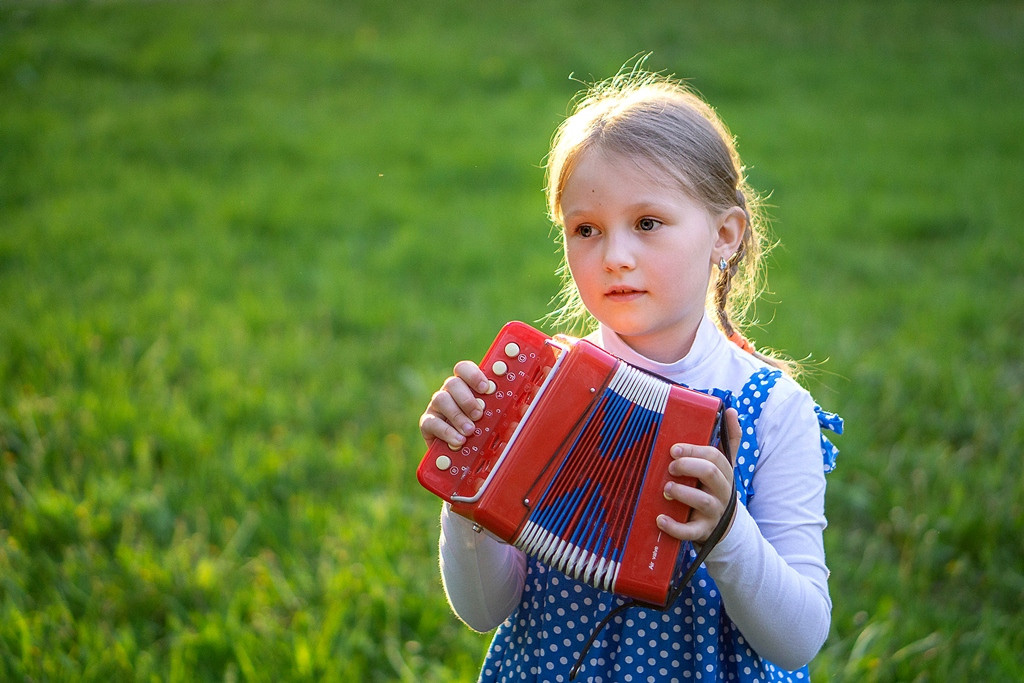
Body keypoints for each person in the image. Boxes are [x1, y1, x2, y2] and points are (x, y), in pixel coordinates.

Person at [418, 65, 842, 682]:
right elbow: (484, 610)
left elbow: (798, 639)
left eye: (647, 223)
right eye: (585, 230)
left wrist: (728, 534)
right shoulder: (535, 388)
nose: (615, 256)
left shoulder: (773, 409)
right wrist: (468, 494)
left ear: (724, 235)